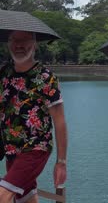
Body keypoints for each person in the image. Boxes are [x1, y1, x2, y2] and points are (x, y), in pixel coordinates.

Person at [0, 31, 68, 203]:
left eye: (24, 40)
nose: (19, 45)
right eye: (14, 40)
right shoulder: (3, 73)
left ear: (35, 44)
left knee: (3, 195)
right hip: (11, 149)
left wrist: (61, 162)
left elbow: (59, 122)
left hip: (36, 148)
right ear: (8, 44)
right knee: (26, 199)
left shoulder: (46, 78)